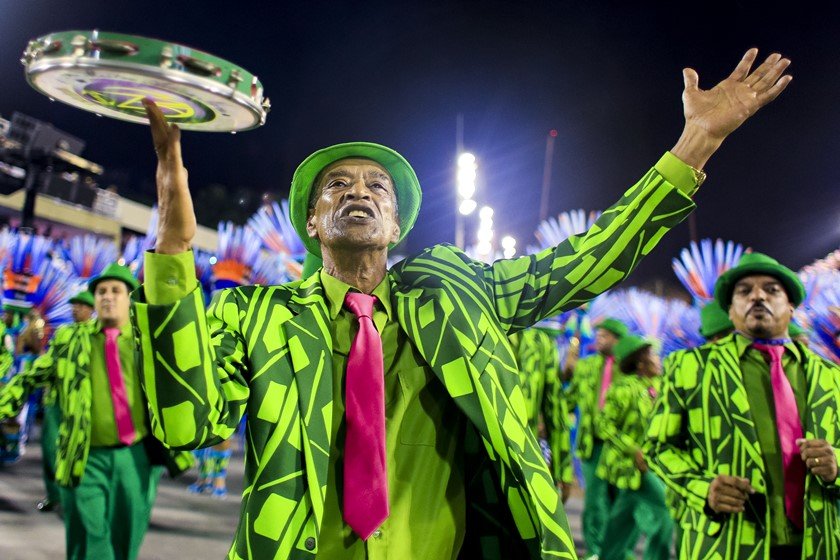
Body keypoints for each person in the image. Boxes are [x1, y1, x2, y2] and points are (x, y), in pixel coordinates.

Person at [135, 48, 792, 559]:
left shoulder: (460, 291)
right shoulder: (258, 315)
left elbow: (588, 258)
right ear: (311, 222)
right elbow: (187, 426)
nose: (357, 192)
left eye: (377, 187)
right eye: (336, 185)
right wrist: (173, 245)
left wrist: (695, 144)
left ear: (396, 227)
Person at [646, 252, 840, 559]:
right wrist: (703, 489)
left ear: (790, 305)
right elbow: (657, 447)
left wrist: (836, 465)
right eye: (744, 291)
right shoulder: (690, 367)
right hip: (728, 543)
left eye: (771, 289)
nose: (758, 295)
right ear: (731, 310)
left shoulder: (831, 376)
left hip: (817, 543)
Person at [0, 264, 192, 560]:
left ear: (130, 299)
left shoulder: (149, 341)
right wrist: (5, 404)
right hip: (85, 455)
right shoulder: (71, 340)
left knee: (126, 540)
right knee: (95, 538)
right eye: (102, 291)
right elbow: (29, 377)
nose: (107, 297)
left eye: (116, 291)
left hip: (137, 457)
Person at [597, 334, 673, 560]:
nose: (658, 360)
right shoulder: (623, 389)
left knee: (622, 521)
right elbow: (604, 425)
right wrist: (632, 449)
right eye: (653, 355)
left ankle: (608, 557)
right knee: (665, 510)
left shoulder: (660, 388)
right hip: (628, 466)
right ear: (640, 363)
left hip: (650, 466)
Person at [565, 316, 629, 558]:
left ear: (617, 339)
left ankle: (615, 551)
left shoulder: (627, 368)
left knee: (618, 502)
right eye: (599, 335)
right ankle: (595, 551)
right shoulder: (586, 366)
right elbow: (569, 400)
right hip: (592, 445)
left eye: (605, 336)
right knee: (594, 502)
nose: (599, 339)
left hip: (620, 446)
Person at [36, 289, 95, 513]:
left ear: (91, 310)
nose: (75, 309)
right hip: (56, 401)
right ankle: (54, 494)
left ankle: (76, 497)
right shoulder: (62, 333)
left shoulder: (97, 335)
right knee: (51, 448)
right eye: (74, 306)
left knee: (79, 451)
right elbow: (49, 361)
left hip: (81, 402)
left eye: (80, 306)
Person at [509, 322, 573, 501]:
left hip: (525, 461)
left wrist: (563, 469)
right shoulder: (475, 332)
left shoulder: (540, 344)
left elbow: (556, 411)